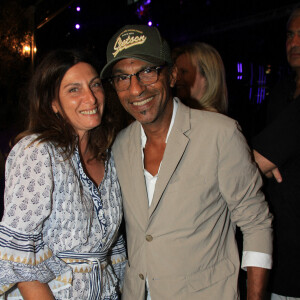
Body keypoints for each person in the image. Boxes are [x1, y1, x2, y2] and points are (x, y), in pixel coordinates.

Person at [100, 24, 272, 300]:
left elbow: (256, 224)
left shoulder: (220, 134)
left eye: (147, 71)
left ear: (171, 75)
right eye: (122, 78)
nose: (135, 89)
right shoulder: (120, 145)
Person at [0, 49, 127, 299]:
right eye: (74, 89)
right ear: (53, 103)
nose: (90, 98)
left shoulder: (109, 157)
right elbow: (22, 261)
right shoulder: (37, 152)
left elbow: (112, 250)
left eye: (95, 85)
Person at [252, 7, 300, 300]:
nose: (294, 43)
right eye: (290, 35)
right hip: (278, 246)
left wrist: (263, 159)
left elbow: (252, 162)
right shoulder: (281, 92)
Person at [172, 42, 228, 114]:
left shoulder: (215, 122)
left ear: (207, 76)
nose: (177, 78)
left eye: (184, 72)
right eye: (176, 73)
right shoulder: (184, 116)